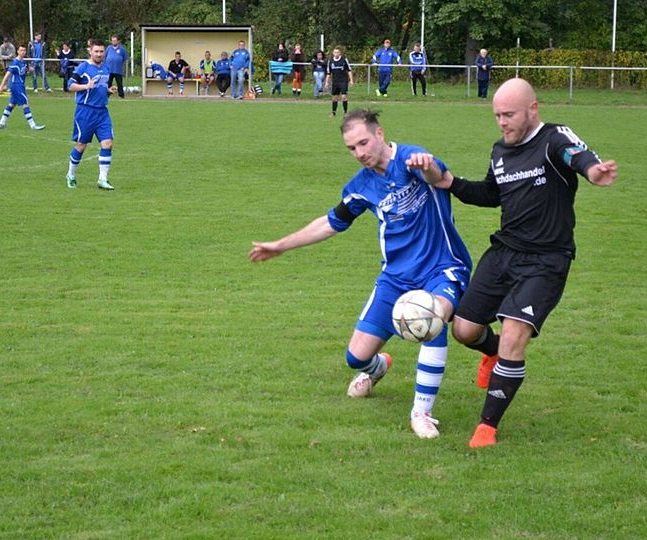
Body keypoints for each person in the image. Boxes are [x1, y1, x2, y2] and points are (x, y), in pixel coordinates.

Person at [249, 109, 472, 439]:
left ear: (380, 134)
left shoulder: (412, 158)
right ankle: (378, 368)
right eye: (352, 148)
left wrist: (429, 165)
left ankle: (421, 412)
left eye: (364, 143)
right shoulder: (361, 187)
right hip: (395, 278)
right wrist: (281, 245)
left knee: (433, 317)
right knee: (356, 357)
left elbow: (438, 176)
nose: (360, 153)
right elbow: (329, 223)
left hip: (443, 268)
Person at [431, 78, 618, 448]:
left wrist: (592, 171)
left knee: (515, 337)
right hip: (504, 253)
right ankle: (492, 354)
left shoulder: (554, 139)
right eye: (498, 115)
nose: (502, 122)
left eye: (509, 114)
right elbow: (490, 194)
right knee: (464, 330)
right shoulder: (500, 150)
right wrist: (449, 182)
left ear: (533, 109)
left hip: (546, 260)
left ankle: (487, 427)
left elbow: (577, 156)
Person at [64, 39, 115, 191]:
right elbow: (70, 85)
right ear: (90, 52)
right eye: (96, 51)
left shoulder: (106, 69)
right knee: (81, 145)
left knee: (108, 143)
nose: (99, 54)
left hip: (102, 112)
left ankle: (103, 179)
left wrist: (108, 91)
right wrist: (86, 86)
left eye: (101, 51)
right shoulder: (83, 67)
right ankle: (71, 175)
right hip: (85, 111)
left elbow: (101, 88)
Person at [0, 45, 45, 131]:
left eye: (24, 50)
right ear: (17, 51)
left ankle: (1, 123)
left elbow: (26, 71)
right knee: (25, 103)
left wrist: (31, 69)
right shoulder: (15, 63)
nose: (23, 52)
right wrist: (1, 86)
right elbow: (7, 75)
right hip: (16, 85)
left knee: (12, 104)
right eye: (21, 50)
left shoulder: (23, 62)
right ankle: (33, 125)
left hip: (20, 85)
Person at [325, 46, 353, 117]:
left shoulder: (344, 60)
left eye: (337, 52)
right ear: (333, 53)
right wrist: (327, 82)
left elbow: (349, 70)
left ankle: (345, 112)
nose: (336, 54)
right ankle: (333, 112)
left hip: (343, 81)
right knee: (335, 98)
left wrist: (351, 80)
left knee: (344, 96)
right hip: (335, 81)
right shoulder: (330, 61)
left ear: (340, 53)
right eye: (335, 52)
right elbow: (329, 73)